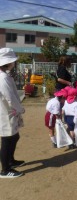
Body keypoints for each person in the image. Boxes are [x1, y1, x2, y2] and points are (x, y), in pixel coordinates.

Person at [0, 48, 25, 178]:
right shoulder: (2, 77)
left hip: (8, 111)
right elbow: (10, 97)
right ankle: (5, 169)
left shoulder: (5, 75)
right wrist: (20, 109)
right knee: (7, 139)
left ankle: (10, 160)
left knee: (14, 137)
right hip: (6, 112)